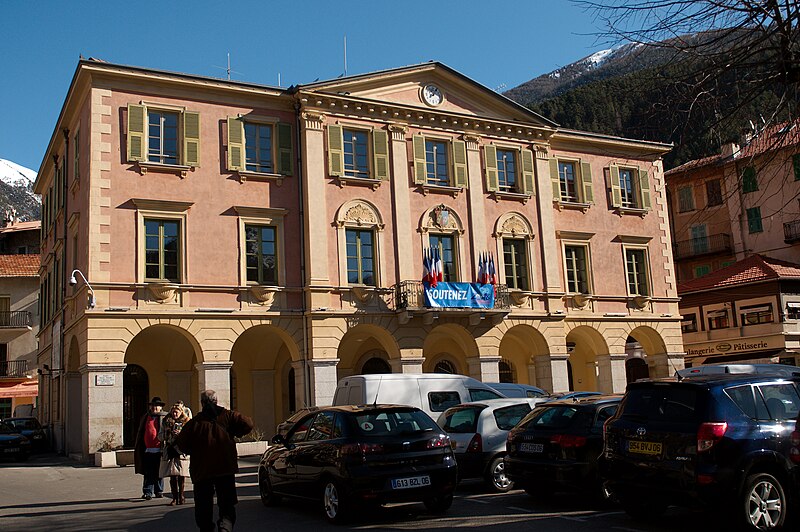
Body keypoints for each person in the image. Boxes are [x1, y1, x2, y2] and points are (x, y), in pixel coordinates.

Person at [175, 390, 253, 532]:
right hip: (225, 468)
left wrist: (193, 449)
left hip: (202, 470)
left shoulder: (195, 423)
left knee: (203, 505)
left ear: (202, 403)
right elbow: (248, 423)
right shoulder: (228, 416)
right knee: (227, 504)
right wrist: (236, 432)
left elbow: (182, 443)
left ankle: (207, 529)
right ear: (216, 401)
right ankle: (225, 528)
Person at [134, 396, 167, 500]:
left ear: (161, 407)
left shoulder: (164, 417)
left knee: (159, 472)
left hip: (160, 449)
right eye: (153, 406)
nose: (154, 408)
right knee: (148, 472)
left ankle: (159, 491)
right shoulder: (146, 417)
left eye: (157, 406)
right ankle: (148, 492)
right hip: (148, 450)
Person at [159, 402, 191, 505]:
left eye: (176, 412)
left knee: (181, 475)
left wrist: (181, 434)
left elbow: (191, 435)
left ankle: (181, 496)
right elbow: (159, 437)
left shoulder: (186, 422)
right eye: (173, 412)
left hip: (181, 451)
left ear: (181, 412)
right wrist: (167, 433)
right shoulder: (166, 422)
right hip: (170, 450)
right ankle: (174, 497)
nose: (174, 414)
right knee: (172, 475)